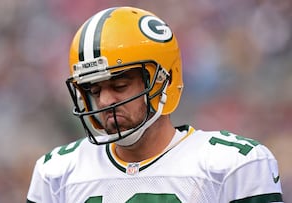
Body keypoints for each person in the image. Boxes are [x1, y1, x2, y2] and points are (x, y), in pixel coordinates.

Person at [26, 6, 283, 203]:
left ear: (163, 81)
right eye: (94, 90)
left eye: (119, 86)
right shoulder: (57, 172)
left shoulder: (234, 164)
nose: (105, 101)